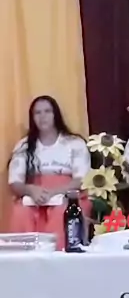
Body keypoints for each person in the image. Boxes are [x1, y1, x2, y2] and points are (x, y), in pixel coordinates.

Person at [8, 95, 91, 250]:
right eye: (37, 113)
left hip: (68, 195)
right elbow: (14, 183)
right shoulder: (23, 146)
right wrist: (30, 190)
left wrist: (53, 192)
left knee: (63, 212)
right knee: (20, 212)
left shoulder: (74, 143)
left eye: (47, 111)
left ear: (55, 115)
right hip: (34, 196)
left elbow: (81, 180)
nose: (43, 116)